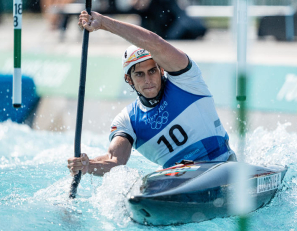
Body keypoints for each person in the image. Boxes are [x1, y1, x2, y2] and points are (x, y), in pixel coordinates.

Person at [67, 10, 236, 177]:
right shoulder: (128, 120)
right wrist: (88, 166)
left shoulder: (186, 80)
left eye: (152, 71)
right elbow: (115, 161)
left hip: (222, 165)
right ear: (129, 79)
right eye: (139, 74)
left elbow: (155, 43)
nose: (148, 79)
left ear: (161, 69)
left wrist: (104, 23)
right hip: (179, 182)